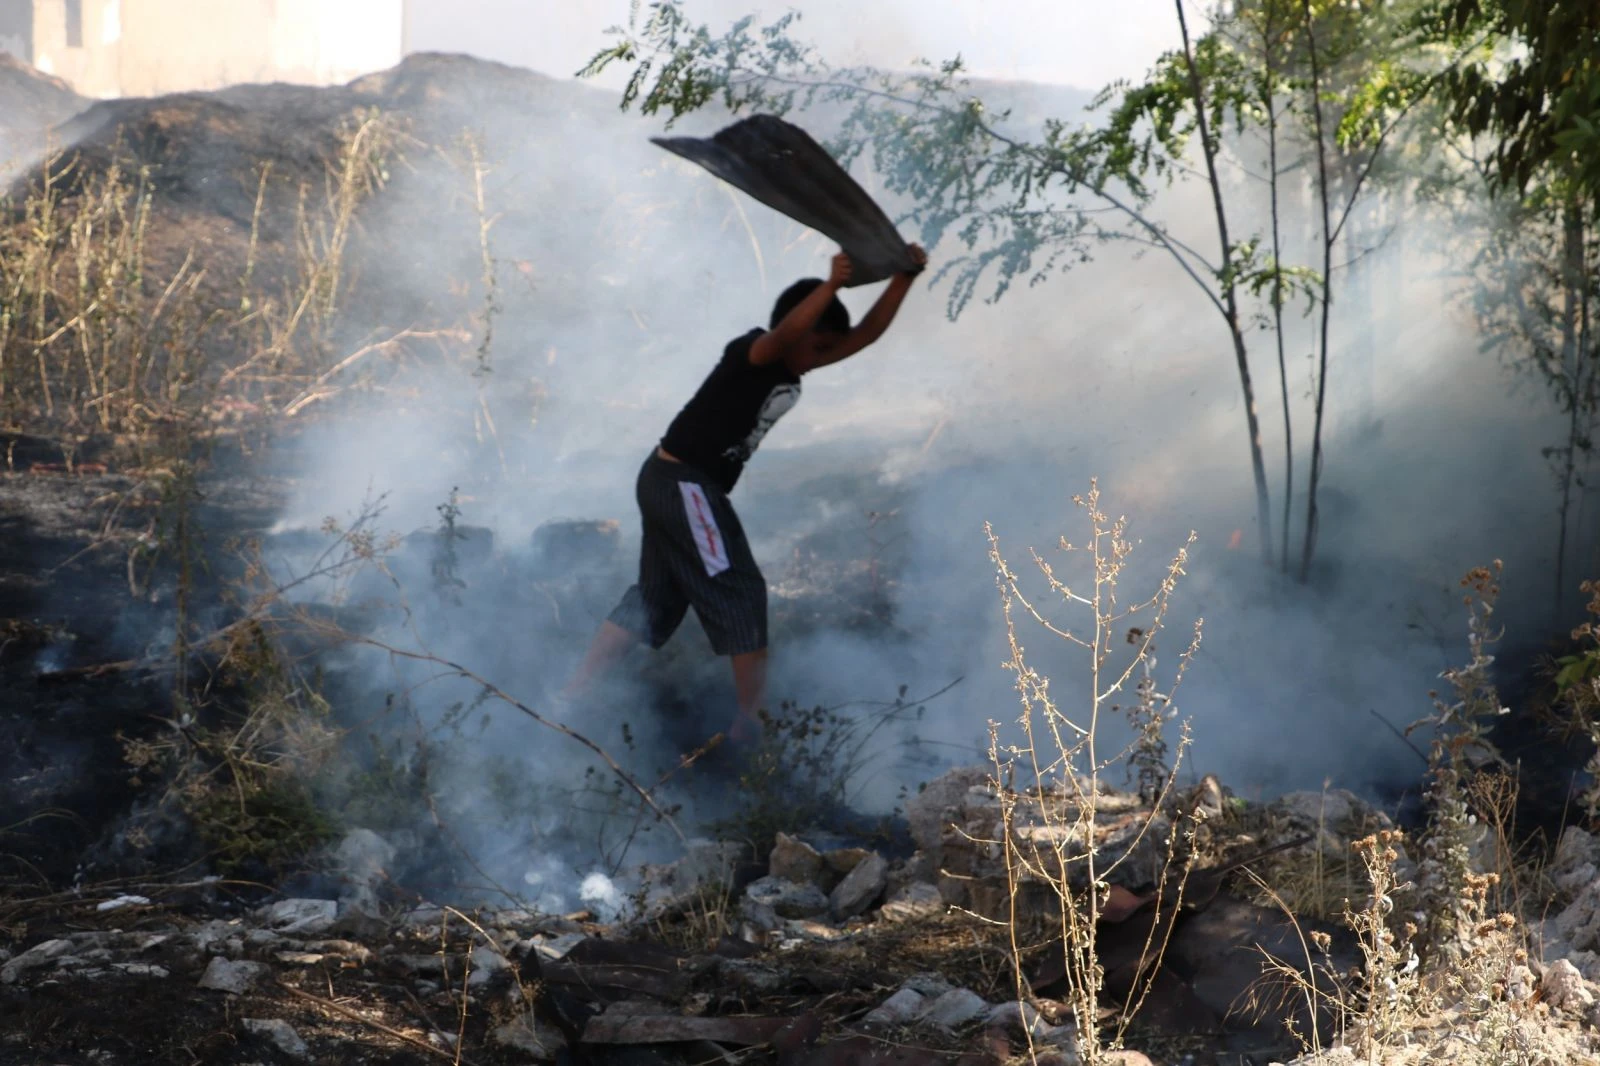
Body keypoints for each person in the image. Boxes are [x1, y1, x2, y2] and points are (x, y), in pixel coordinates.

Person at [560, 244, 928, 743]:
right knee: (740, 588)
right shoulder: (752, 352)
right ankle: (750, 723)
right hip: (684, 482)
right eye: (817, 346)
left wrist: (903, 278)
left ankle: (574, 697)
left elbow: (862, 337)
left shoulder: (796, 362)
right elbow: (785, 336)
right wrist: (831, 285)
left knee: (656, 597)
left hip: (673, 482)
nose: (819, 360)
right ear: (801, 329)